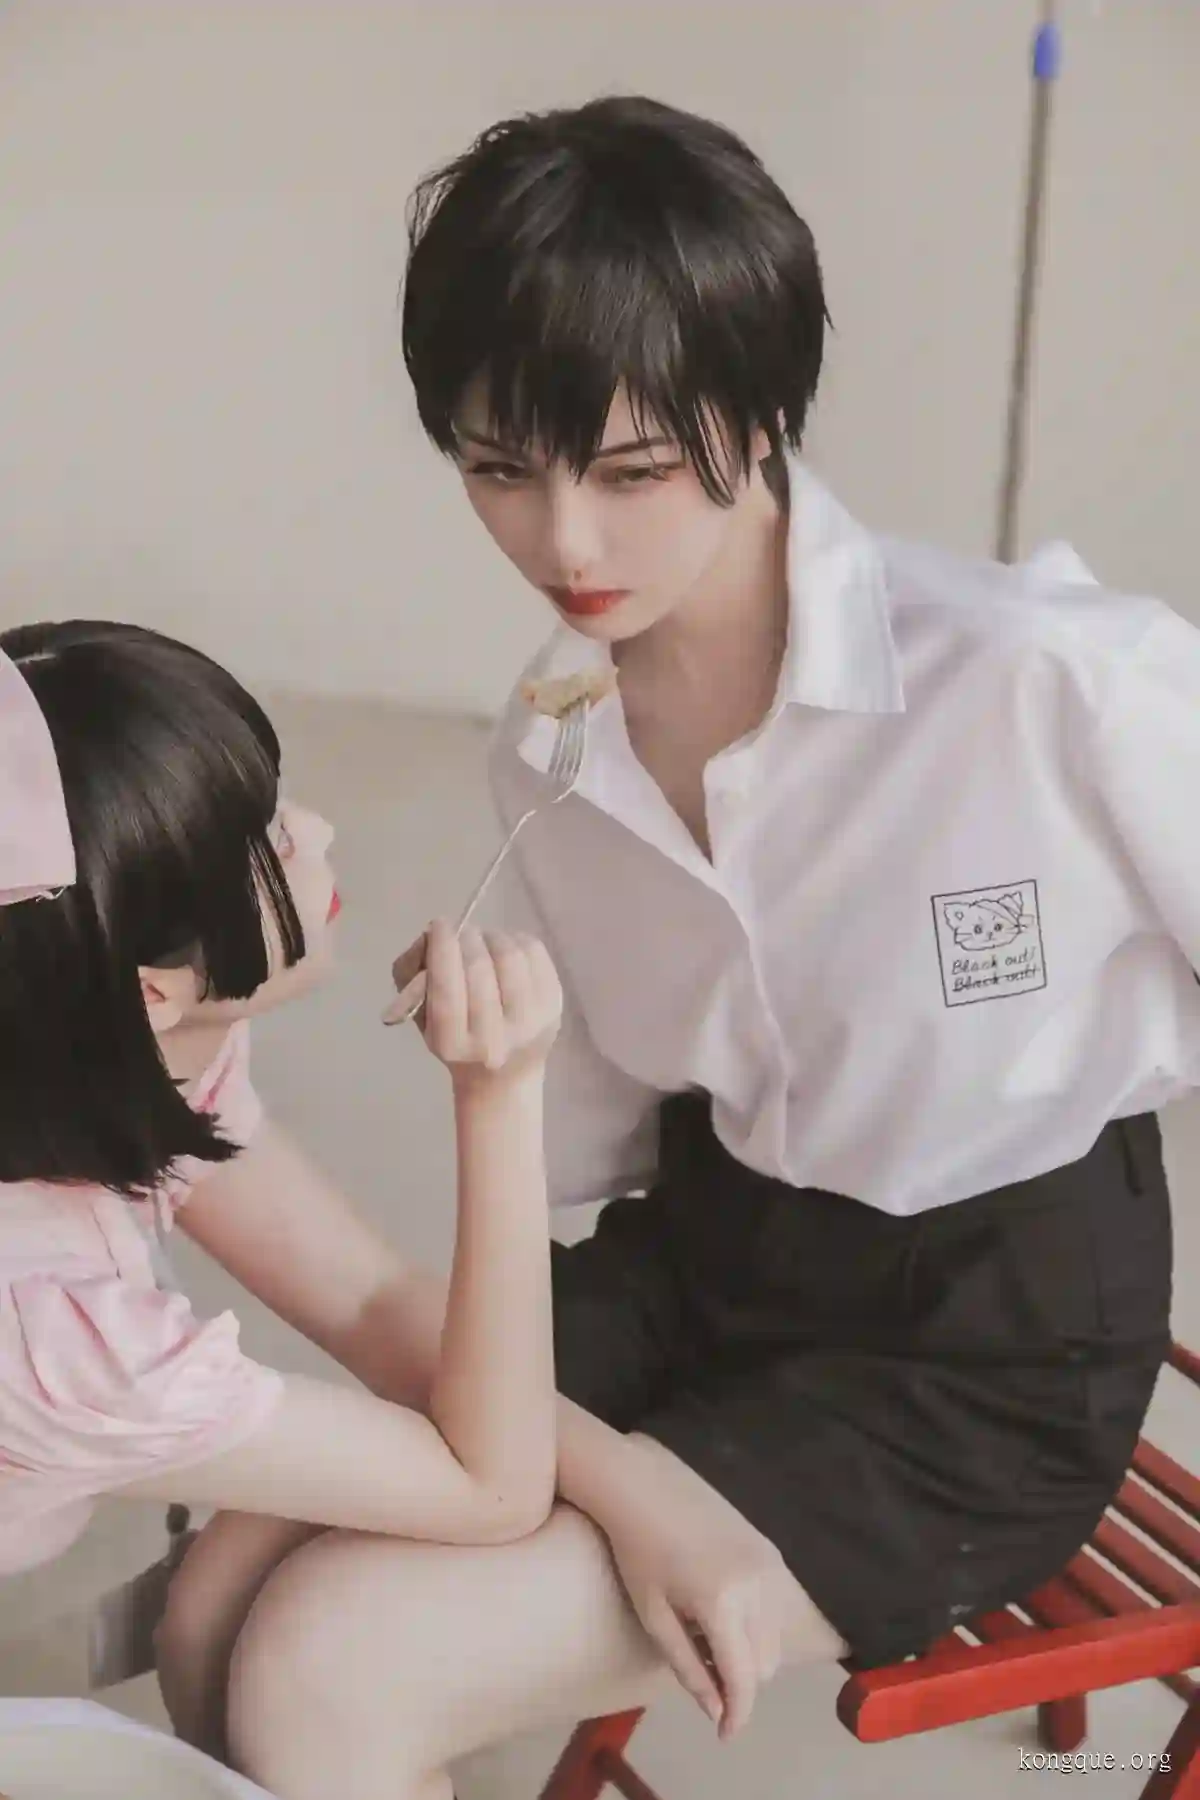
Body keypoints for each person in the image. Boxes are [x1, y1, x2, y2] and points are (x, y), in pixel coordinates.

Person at [213, 96, 1184, 1800]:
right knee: (221, 1587)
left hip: (984, 1355)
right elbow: (596, 1150)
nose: (565, 544)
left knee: (326, 1667)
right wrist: (495, 1065)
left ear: (763, 410)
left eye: (634, 471)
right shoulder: (550, 752)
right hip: (715, 1255)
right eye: (500, 470)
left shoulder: (1045, 683)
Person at [0, 619, 563, 1766]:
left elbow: (371, 1303)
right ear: (154, 988)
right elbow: (492, 1489)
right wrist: (502, 1098)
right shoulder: (56, 1337)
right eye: (261, 839)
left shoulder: (105, 1054)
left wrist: (656, 1497)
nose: (319, 832)